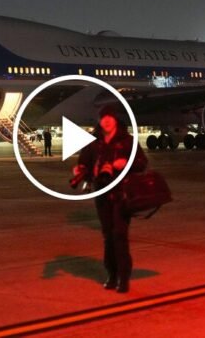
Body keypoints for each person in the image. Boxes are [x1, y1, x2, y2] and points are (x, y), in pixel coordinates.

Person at [73, 105, 147, 293]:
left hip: (122, 194)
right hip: (102, 194)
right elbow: (84, 163)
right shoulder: (94, 143)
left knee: (119, 235)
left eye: (109, 117)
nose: (106, 120)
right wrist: (80, 170)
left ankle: (123, 278)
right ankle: (112, 275)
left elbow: (141, 163)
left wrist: (124, 164)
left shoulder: (127, 142)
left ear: (115, 120)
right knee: (108, 236)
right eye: (103, 117)